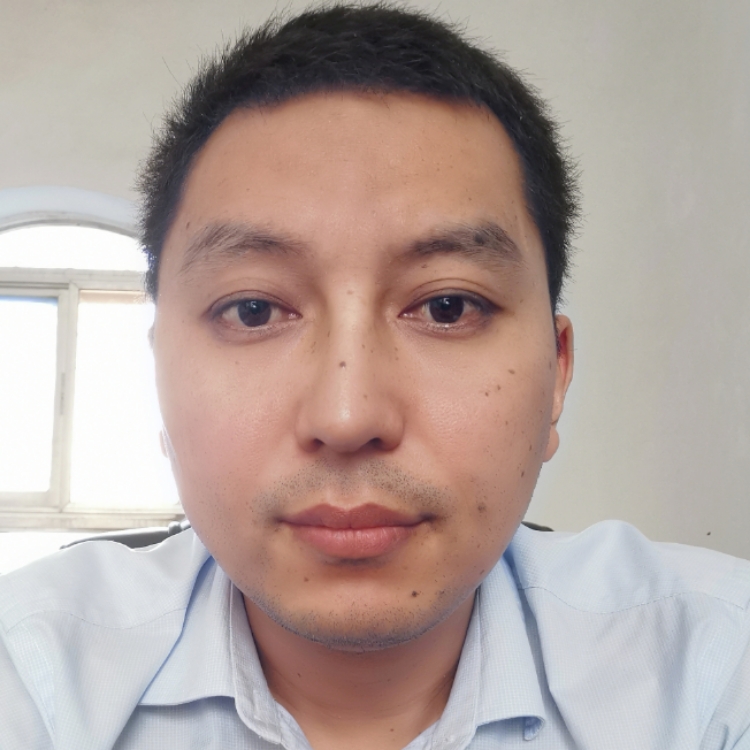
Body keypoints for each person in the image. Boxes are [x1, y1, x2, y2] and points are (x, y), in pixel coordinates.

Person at [1, 4, 748, 749]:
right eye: (254, 310)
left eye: (449, 306)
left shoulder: (709, 669)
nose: (348, 415)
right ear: (159, 375)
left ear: (556, 376)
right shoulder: (33, 674)